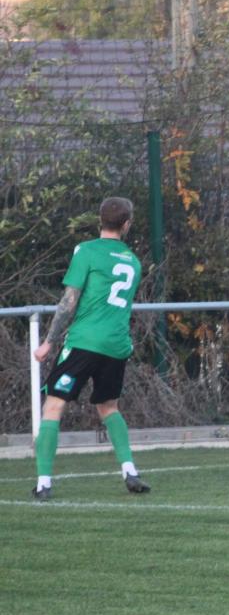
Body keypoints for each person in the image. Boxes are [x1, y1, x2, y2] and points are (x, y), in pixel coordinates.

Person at [31, 197, 151, 499]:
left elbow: (69, 302)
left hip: (84, 342)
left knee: (53, 406)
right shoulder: (133, 262)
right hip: (116, 345)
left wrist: (49, 342)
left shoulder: (86, 251)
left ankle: (44, 483)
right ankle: (129, 471)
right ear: (126, 224)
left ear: (100, 219)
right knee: (109, 407)